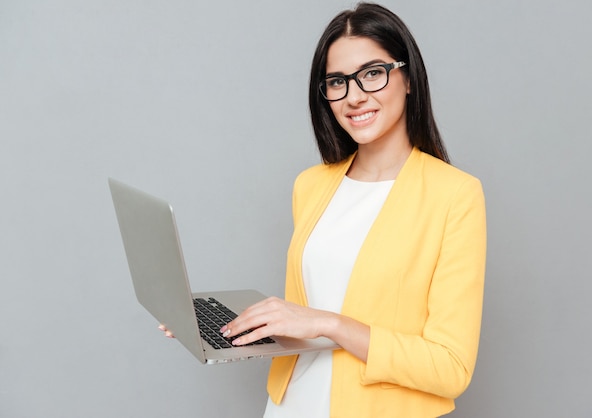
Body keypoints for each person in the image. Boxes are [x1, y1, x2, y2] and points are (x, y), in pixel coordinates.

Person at [163, 3, 486, 417]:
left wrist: (328, 323)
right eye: (337, 81)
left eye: (372, 73)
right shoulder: (311, 184)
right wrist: (225, 328)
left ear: (407, 78)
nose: (354, 96)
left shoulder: (455, 195)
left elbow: (450, 367)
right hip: (291, 404)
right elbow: (308, 315)